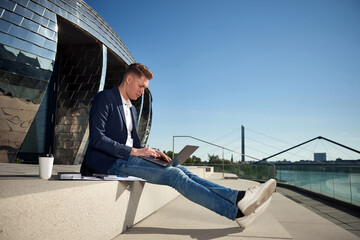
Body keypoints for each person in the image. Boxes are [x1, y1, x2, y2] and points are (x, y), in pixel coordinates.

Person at [80, 63, 276, 228]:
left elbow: (136, 143)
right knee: (175, 176)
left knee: (179, 168)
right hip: (110, 161)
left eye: (145, 88)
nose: (142, 91)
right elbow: (97, 139)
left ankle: (238, 197)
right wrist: (134, 151)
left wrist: (153, 154)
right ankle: (236, 213)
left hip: (130, 158)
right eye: (141, 86)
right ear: (129, 79)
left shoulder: (131, 109)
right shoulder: (105, 99)